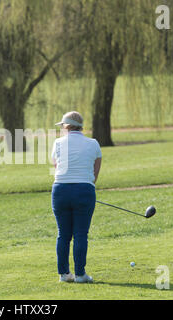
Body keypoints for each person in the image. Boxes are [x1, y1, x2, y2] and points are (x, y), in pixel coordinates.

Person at [51, 111, 102, 283]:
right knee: (81, 233)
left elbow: (56, 166)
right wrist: (86, 186)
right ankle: (80, 275)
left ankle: (64, 275)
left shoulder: (57, 143)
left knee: (63, 234)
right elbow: (95, 171)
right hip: (84, 190)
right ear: (81, 126)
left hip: (60, 190)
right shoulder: (93, 143)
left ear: (66, 126)